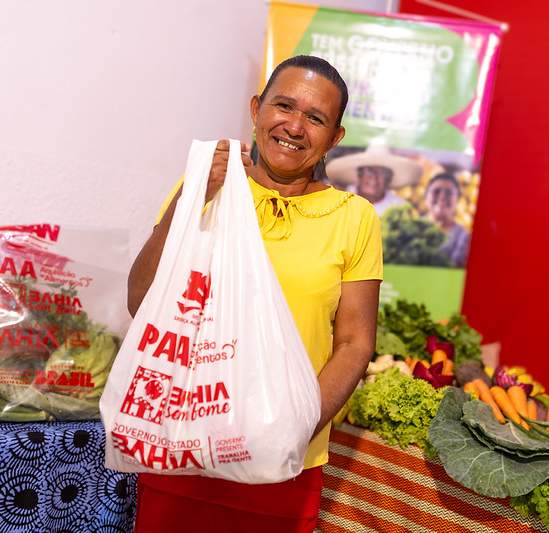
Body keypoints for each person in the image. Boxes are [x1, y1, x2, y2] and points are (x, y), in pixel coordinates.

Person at [126, 55, 383, 532]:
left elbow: (354, 343)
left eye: (316, 118)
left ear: (335, 138)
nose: (295, 126)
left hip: (284, 464)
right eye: (284, 105)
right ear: (256, 110)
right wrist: (190, 202)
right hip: (185, 445)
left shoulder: (354, 218)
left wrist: (289, 429)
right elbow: (141, 301)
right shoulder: (204, 187)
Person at [325, 139, 423, 215]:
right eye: (369, 170)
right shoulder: (340, 197)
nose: (373, 177)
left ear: (389, 178)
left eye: (381, 172)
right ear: (360, 173)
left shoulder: (400, 208)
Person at [425, 172, 471, 268]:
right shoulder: (410, 227)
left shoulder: (463, 237)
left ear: (458, 199)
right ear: (426, 197)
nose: (442, 197)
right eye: (436, 191)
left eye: (449, 192)